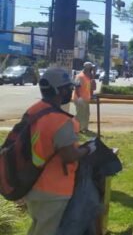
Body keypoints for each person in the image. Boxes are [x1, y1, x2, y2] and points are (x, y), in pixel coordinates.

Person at [24, 68, 96, 235]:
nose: (70, 91)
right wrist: (87, 149)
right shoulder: (60, 120)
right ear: (60, 90)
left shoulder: (35, 110)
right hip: (52, 189)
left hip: (32, 182)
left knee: (38, 227)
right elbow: (69, 156)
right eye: (68, 88)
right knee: (47, 231)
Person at [73, 62, 95, 133]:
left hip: (86, 99)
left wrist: (93, 78)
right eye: (91, 68)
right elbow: (76, 87)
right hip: (80, 99)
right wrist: (79, 98)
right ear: (87, 68)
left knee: (86, 114)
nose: (92, 69)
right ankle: (76, 129)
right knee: (80, 115)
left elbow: (92, 88)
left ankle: (85, 128)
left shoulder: (88, 76)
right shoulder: (80, 76)